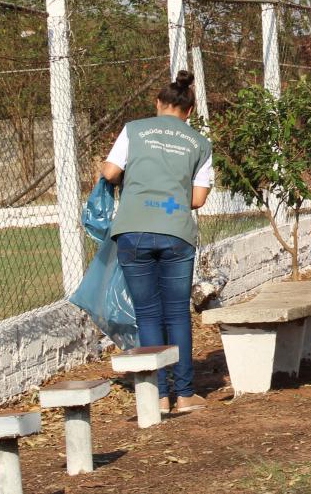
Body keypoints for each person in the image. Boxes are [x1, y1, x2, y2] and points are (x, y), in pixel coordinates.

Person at [101, 70, 213, 413]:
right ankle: (186, 394)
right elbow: (197, 199)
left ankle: (158, 397)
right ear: (190, 111)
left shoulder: (134, 130)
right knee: (177, 313)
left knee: (148, 315)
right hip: (176, 231)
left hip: (133, 230)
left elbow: (109, 172)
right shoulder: (200, 144)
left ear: (158, 104)